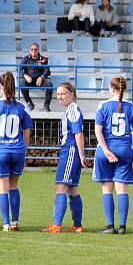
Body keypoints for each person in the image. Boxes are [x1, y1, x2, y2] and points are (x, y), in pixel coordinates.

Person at [93, 77, 133, 235]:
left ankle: (110, 226)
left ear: (111, 89)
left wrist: (106, 151)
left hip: (106, 151)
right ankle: (122, 226)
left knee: (107, 189)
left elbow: (98, 131)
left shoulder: (103, 106)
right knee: (122, 189)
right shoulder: (132, 108)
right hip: (125, 151)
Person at [0, 71, 33, 232]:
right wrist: (24, 148)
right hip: (17, 150)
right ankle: (15, 221)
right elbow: (27, 130)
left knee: (2, 188)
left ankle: (6, 223)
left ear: (1, 86)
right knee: (13, 186)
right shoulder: (22, 106)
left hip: (1, 149)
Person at [43, 82, 88, 233]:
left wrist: (81, 155)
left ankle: (56, 225)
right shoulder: (70, 109)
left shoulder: (73, 109)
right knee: (72, 189)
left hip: (70, 151)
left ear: (72, 94)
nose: (59, 96)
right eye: (57, 94)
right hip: (70, 151)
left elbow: (78, 133)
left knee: (61, 187)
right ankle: (77, 225)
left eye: (63, 93)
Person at [20, 42, 53, 112]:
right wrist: (25, 76)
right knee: (22, 83)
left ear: (38, 50)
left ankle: (46, 106)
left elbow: (47, 71)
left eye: (35, 49)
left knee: (49, 84)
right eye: (32, 49)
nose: (33, 51)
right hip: (29, 81)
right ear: (29, 50)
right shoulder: (25, 59)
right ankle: (29, 103)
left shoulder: (43, 59)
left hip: (40, 81)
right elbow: (19, 69)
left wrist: (42, 77)